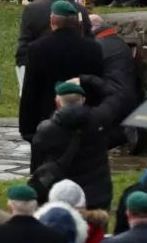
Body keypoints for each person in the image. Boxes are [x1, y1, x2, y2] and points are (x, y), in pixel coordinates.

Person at [19, 1, 106, 142]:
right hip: (83, 124)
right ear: (76, 23)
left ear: (52, 21)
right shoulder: (94, 49)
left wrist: (27, 130)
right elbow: (97, 88)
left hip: (47, 123)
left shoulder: (37, 49)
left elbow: (31, 91)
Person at [30, 81, 113, 210]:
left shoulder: (46, 129)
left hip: (59, 194)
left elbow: (37, 162)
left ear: (57, 102)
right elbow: (114, 94)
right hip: (96, 195)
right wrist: (87, 79)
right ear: (83, 100)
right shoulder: (99, 119)